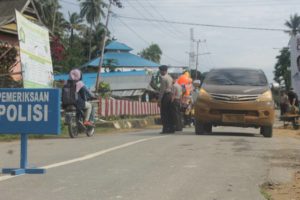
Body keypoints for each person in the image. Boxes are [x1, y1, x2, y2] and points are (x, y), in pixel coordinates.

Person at [158, 65, 175, 133]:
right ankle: (171, 128)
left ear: (163, 71)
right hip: (170, 95)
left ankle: (165, 128)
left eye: (160, 71)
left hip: (165, 96)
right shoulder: (170, 77)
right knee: (169, 112)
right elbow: (173, 87)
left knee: (164, 113)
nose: (160, 72)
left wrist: (159, 100)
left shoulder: (163, 78)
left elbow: (162, 90)